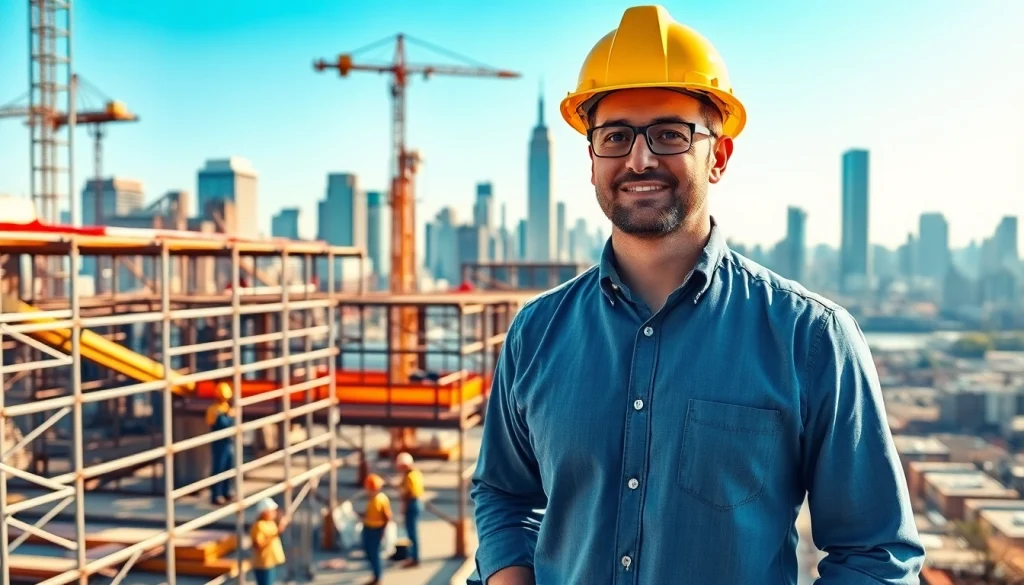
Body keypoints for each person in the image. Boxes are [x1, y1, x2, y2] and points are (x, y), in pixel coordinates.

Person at [470, 5, 925, 585]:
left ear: (720, 157)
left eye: (669, 134)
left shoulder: (809, 338)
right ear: (592, 160)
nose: (639, 159)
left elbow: (875, 553)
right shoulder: (536, 332)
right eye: (615, 137)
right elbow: (505, 493)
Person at [206, 381, 235, 505]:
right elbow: (222, 424)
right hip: (220, 443)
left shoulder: (226, 407)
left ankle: (226, 491)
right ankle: (216, 495)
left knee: (228, 466)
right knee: (219, 468)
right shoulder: (214, 410)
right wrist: (229, 416)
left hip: (228, 442)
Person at [250, 497, 289, 585]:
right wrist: (276, 534)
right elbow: (258, 545)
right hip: (263, 565)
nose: (274, 513)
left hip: (270, 562)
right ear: (264, 512)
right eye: (272, 511)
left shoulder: (271, 523)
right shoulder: (259, 526)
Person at [362, 473, 392, 585]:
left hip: (375, 529)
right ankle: (376, 575)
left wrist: (383, 531)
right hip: (369, 527)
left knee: (374, 553)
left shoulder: (379, 500)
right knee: (369, 551)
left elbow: (387, 517)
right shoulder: (373, 499)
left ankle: (378, 577)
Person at [395, 451, 423, 567]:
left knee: (412, 533)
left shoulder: (409, 477)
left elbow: (408, 494)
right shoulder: (415, 473)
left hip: (412, 504)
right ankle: (413, 556)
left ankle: (414, 558)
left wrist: (404, 507)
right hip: (417, 502)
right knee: (412, 532)